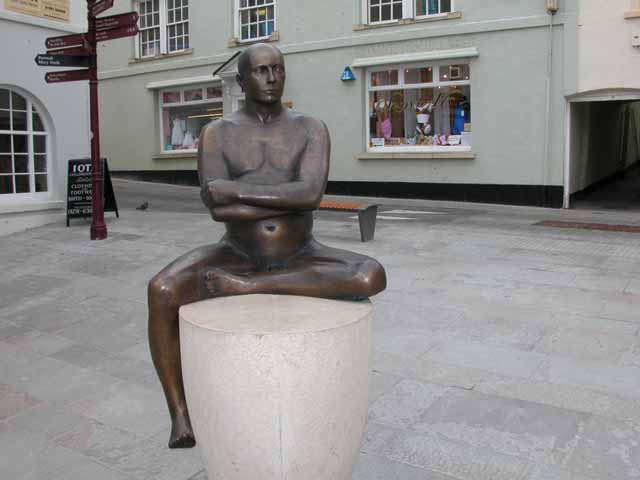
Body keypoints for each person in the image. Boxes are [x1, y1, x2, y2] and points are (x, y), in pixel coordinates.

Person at [147, 43, 387, 449]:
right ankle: (180, 414)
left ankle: (255, 286)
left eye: (278, 69)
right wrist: (278, 194)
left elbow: (310, 194)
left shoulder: (310, 128)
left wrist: (236, 190)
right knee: (161, 290)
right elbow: (218, 211)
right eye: (261, 71)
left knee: (370, 274)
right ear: (241, 81)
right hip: (236, 253)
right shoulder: (217, 133)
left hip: (302, 252)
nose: (272, 78)